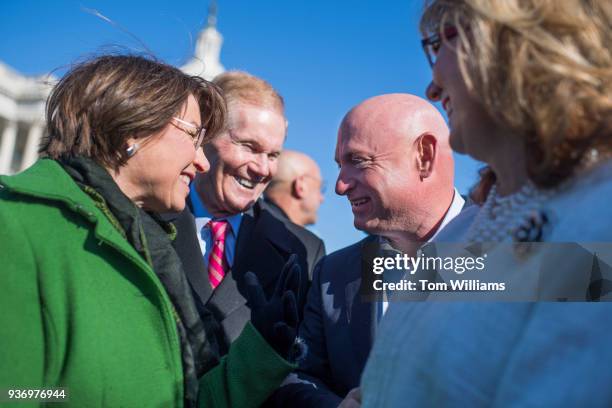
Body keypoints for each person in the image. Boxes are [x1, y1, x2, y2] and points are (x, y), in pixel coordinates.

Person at [0, 55, 304, 408]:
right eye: (193, 135)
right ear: (133, 129)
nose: (202, 161)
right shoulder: (15, 225)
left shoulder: (150, 245)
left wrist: (261, 354)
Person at [361, 0, 612, 406]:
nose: (432, 87)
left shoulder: (599, 219)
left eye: (438, 44)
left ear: (514, 41)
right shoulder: (473, 223)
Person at [271, 93, 465, 407]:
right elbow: (298, 377)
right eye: (339, 165)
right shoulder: (333, 273)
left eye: (358, 161)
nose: (339, 186)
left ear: (424, 156)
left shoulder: (523, 249)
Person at [169, 71, 325, 354]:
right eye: (249, 147)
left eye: (273, 155)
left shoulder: (302, 251)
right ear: (205, 135)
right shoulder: (147, 216)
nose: (263, 168)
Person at [264, 149, 325, 227]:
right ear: (301, 187)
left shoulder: (246, 223)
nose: (322, 199)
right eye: (320, 188)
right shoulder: (297, 238)